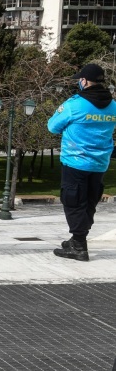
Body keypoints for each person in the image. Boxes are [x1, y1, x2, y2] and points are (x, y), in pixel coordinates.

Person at [48, 63, 116, 261]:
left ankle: (78, 246)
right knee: (89, 202)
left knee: (74, 202)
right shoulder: (113, 106)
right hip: (100, 163)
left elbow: (52, 126)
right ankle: (77, 239)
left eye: (80, 79)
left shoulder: (74, 104)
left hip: (76, 162)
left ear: (84, 81)